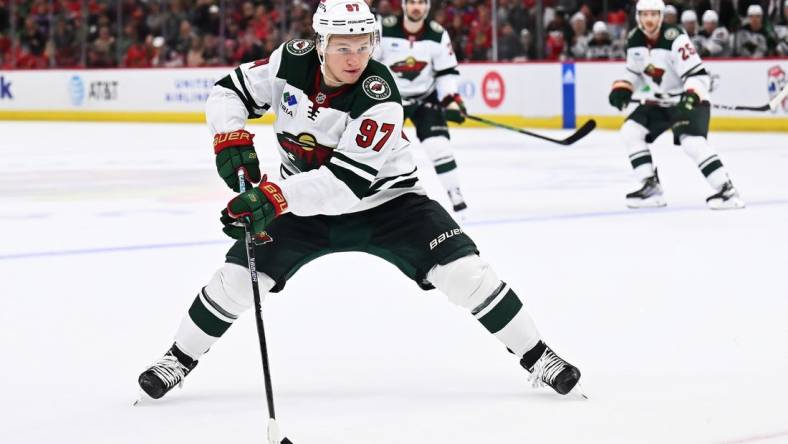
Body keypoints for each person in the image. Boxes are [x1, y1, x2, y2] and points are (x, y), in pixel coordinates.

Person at [138, 0, 582, 401]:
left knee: (467, 274)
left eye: (364, 46)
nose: (355, 58)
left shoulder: (380, 97)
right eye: (343, 47)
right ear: (320, 43)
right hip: (300, 206)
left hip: (389, 204)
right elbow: (226, 92)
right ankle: (178, 359)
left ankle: (537, 355)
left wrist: (272, 197)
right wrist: (229, 136)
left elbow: (344, 184)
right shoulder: (287, 62)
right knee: (236, 280)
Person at [608, 0, 744, 210]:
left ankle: (727, 190)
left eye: (654, 14)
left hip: (689, 99)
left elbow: (698, 75)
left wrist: (691, 94)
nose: (649, 19)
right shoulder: (635, 38)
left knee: (691, 142)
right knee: (630, 130)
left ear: (661, 16)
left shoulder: (675, 38)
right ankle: (650, 187)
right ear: (638, 17)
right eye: (645, 15)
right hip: (660, 101)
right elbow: (634, 72)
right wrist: (624, 86)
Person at [373, 0, 470, 213]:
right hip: (390, 99)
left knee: (439, 145)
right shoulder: (384, 27)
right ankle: (372, 197)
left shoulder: (438, 34)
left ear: (427, 6)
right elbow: (371, 65)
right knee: (377, 148)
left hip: (425, 98)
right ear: (404, 5)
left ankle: (454, 192)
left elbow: (446, 73)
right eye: (412, 2)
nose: (416, 7)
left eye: (421, 2)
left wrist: (451, 100)